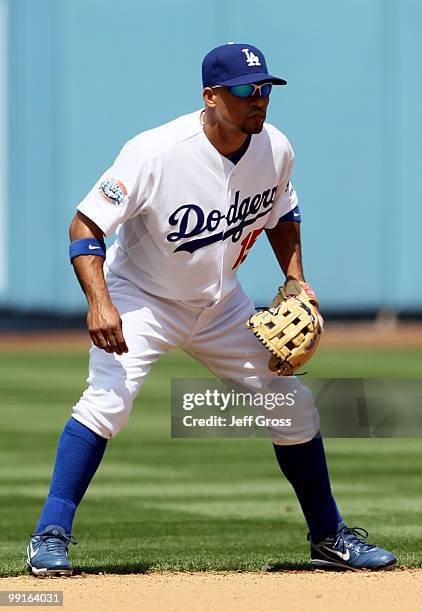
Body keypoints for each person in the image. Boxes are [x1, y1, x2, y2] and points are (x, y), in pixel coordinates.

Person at [27, 43, 396, 576]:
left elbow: (283, 208)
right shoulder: (154, 153)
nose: (259, 100)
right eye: (246, 90)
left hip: (221, 301)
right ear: (211, 96)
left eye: (265, 89)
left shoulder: (275, 148)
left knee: (292, 409)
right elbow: (85, 226)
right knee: (107, 403)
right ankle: (49, 536)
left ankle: (329, 538)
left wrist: (295, 278)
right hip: (142, 298)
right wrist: (100, 301)